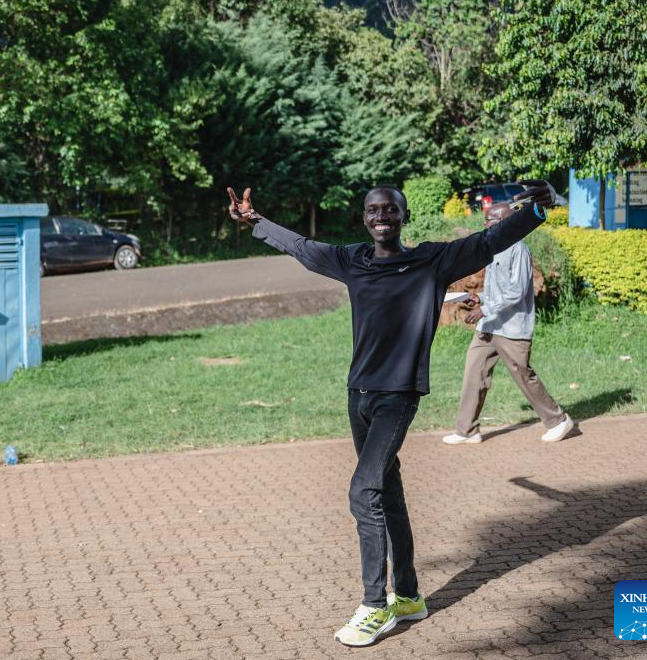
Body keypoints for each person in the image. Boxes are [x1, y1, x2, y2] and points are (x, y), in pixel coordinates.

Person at [226, 182, 556, 647]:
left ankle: (374, 605)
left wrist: (537, 209)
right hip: (358, 395)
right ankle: (409, 596)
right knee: (389, 494)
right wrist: (256, 222)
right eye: (372, 210)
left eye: (389, 209)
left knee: (364, 492)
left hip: (398, 396)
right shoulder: (353, 260)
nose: (380, 216)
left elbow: (488, 241)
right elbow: (302, 248)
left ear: (404, 216)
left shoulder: (432, 261)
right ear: (365, 218)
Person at [442, 202, 574, 445]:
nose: (485, 223)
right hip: (489, 325)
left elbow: (517, 291)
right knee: (474, 372)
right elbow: (497, 290)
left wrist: (484, 309)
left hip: (511, 328)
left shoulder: (518, 249)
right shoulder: (493, 248)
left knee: (523, 374)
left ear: (504, 221)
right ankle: (467, 430)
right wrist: (479, 298)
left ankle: (558, 420)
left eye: (489, 219)